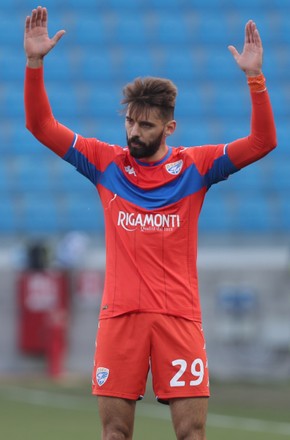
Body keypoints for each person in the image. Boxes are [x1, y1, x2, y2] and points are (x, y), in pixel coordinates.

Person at [24, 6, 277, 440]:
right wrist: (34, 63)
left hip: (178, 315)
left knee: (191, 434)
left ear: (169, 127)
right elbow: (40, 124)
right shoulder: (106, 163)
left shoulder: (196, 167)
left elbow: (263, 141)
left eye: (146, 125)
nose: (134, 132)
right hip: (120, 317)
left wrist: (255, 79)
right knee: (115, 433)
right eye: (129, 122)